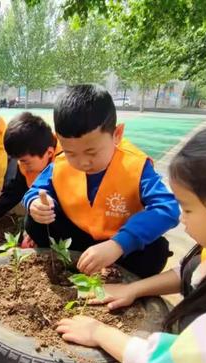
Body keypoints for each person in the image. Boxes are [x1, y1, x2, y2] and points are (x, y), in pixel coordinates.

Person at [56, 125, 206, 363]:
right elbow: (189, 274)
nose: (181, 220)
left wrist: (99, 333)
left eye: (187, 210)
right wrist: (133, 288)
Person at [23, 84, 180, 278]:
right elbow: (36, 189)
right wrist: (35, 204)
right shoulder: (61, 163)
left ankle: (107, 268)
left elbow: (167, 209)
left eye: (92, 152)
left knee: (155, 252)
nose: (82, 162)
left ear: (117, 134)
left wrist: (119, 244)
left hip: (116, 243)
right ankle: (68, 261)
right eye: (71, 152)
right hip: (76, 236)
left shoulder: (135, 166)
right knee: (33, 221)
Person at [0, 112, 58, 234]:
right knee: (32, 224)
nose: (22, 166)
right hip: (46, 214)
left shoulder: (65, 163)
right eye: (18, 160)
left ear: (49, 153)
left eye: (25, 162)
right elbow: (14, 193)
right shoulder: (28, 163)